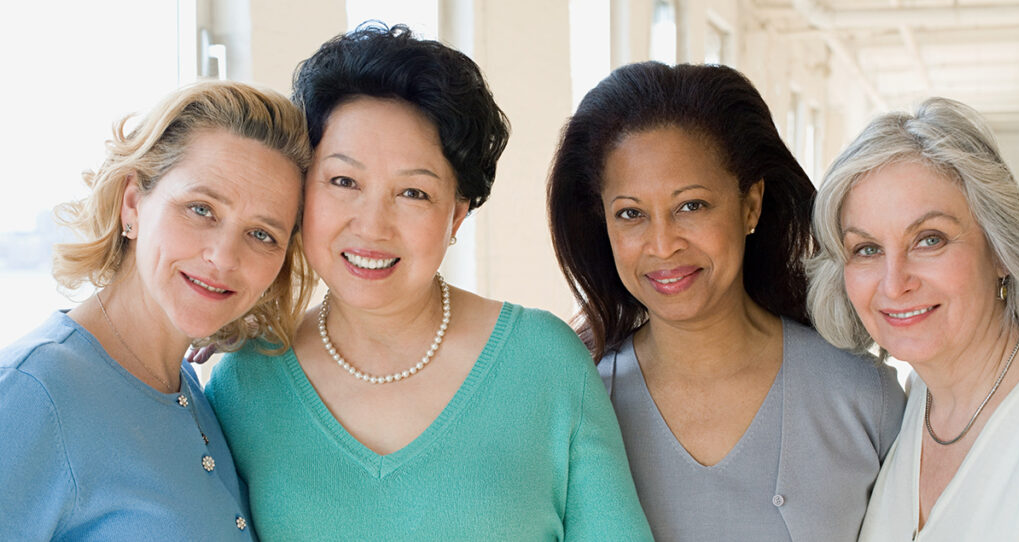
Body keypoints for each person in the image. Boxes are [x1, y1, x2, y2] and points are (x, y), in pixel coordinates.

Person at [205, 24, 652, 541]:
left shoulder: (545, 363)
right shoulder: (245, 383)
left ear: (456, 215)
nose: (372, 225)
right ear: (303, 194)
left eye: (413, 193)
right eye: (343, 181)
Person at [548, 61, 906, 541]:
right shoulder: (577, 403)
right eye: (631, 214)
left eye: (691, 206)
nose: (662, 244)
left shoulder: (864, 396)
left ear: (751, 205)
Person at [0, 81, 312, 539]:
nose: (225, 257)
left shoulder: (186, 387)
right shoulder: (31, 393)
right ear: (133, 204)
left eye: (262, 234)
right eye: (201, 209)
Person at [806, 97, 1019, 540]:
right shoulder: (912, 401)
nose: (894, 283)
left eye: (929, 240)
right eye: (866, 249)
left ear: (999, 250)